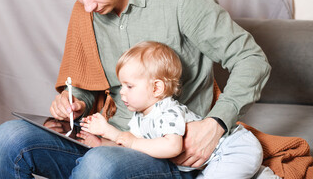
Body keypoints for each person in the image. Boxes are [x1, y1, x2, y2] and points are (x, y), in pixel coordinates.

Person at [0, 0, 271, 178]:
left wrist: (216, 123)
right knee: (6, 139)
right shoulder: (87, 11)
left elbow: (251, 58)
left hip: (168, 152)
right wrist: (76, 102)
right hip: (106, 136)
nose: (87, 6)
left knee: (98, 166)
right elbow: (90, 82)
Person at [79, 41, 263, 178]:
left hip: (234, 149)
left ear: (156, 88)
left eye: (129, 86)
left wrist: (119, 136)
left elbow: (172, 147)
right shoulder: (139, 117)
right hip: (214, 160)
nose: (122, 93)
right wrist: (101, 143)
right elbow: (132, 145)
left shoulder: (168, 111)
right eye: (121, 86)